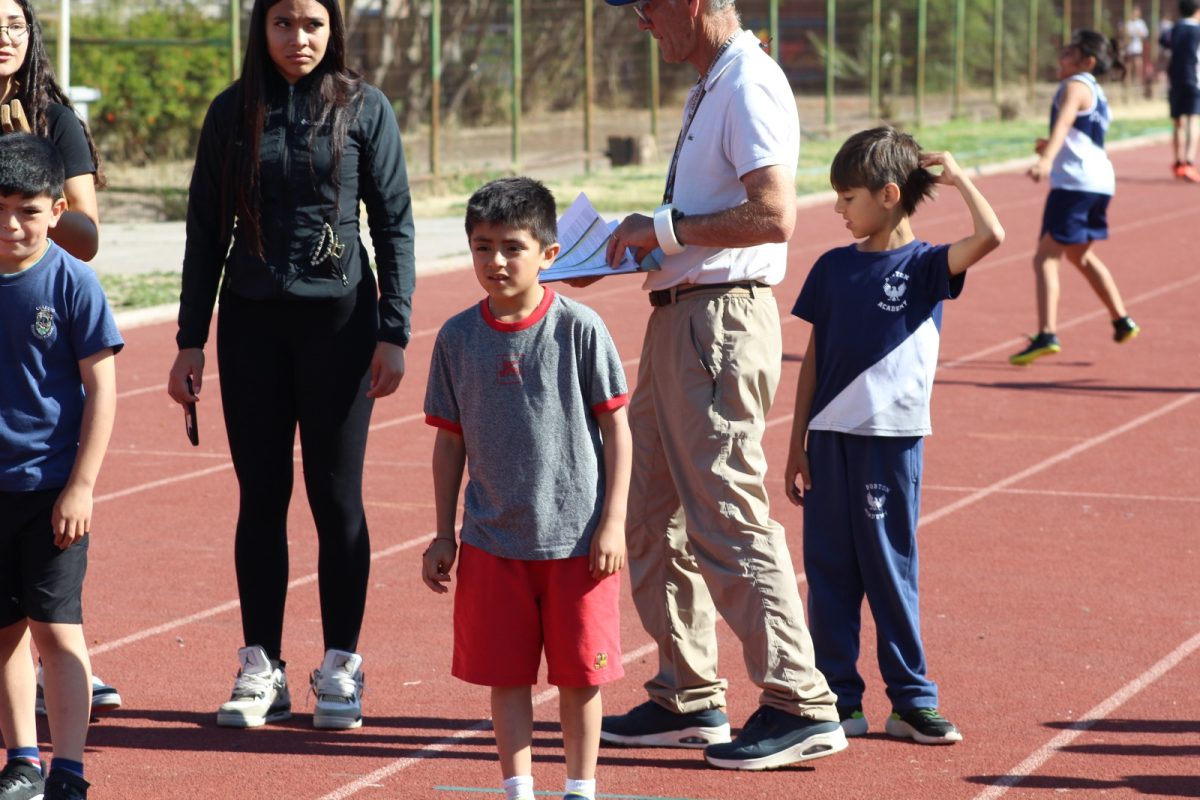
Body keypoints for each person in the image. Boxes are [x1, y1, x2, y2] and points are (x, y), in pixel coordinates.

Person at [589, 0, 847, 772]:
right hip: (680, 316)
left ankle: (800, 701)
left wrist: (661, 231)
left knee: (727, 511)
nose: (640, 23)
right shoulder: (712, 84)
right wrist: (649, 241)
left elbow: (774, 215)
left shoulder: (749, 82)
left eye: (645, 7)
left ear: (691, 3)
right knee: (649, 514)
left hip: (719, 323)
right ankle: (687, 694)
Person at [165, 0, 414, 730]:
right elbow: (205, 228)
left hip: (341, 327)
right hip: (251, 326)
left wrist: (394, 330)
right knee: (261, 498)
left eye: (312, 23)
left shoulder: (366, 107)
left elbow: (393, 220)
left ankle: (341, 667)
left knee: (336, 500)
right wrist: (190, 337)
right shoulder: (230, 112)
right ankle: (261, 667)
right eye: (283, 23)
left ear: (333, 26)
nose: (298, 38)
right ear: (259, 27)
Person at [784, 127, 1004, 746]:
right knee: (829, 574)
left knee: (888, 569)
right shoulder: (830, 269)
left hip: (891, 441)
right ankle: (836, 698)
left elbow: (993, 236)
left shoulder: (928, 266)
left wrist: (958, 177)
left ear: (887, 195)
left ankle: (910, 701)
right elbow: (815, 356)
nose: (836, 209)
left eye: (846, 197)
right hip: (828, 443)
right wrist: (796, 440)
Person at [421, 177, 632, 800]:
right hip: (491, 540)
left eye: (513, 247)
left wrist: (613, 522)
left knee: (579, 679)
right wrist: (443, 533)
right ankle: (518, 789)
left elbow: (617, 430)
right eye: (482, 247)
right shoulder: (457, 338)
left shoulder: (581, 328)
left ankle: (579, 788)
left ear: (549, 253)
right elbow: (450, 441)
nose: (496, 262)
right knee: (506, 677)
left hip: (578, 543)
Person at [0, 0, 123, 723]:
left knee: (48, 544)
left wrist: (34, 187)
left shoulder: (53, 113)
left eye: (13, 23)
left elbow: (86, 235)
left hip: (36, 317)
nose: (3, 38)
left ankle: (64, 664)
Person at [1010, 30, 1140, 366]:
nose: (1061, 57)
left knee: (1045, 258)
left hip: (1074, 184)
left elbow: (1066, 122)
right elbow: (1080, 135)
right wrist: (1052, 147)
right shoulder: (1098, 92)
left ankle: (1047, 334)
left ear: (1087, 61)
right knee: (1079, 256)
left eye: (1069, 53)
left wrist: (1046, 159)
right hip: (1099, 182)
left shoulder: (1074, 86)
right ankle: (1121, 319)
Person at [1166, 0, 1200, 180]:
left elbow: (1164, 45)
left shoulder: (1173, 29)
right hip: (1194, 81)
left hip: (1175, 81)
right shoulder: (1198, 30)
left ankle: (1178, 162)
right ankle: (1189, 162)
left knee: (1178, 122)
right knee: (1193, 122)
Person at [1123, 6, 1150, 91]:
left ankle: (1138, 83)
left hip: (1137, 47)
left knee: (1138, 65)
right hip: (1129, 48)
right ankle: (1127, 84)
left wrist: (1139, 34)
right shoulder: (1128, 23)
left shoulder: (1141, 23)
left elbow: (1145, 34)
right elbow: (1125, 35)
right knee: (1128, 66)